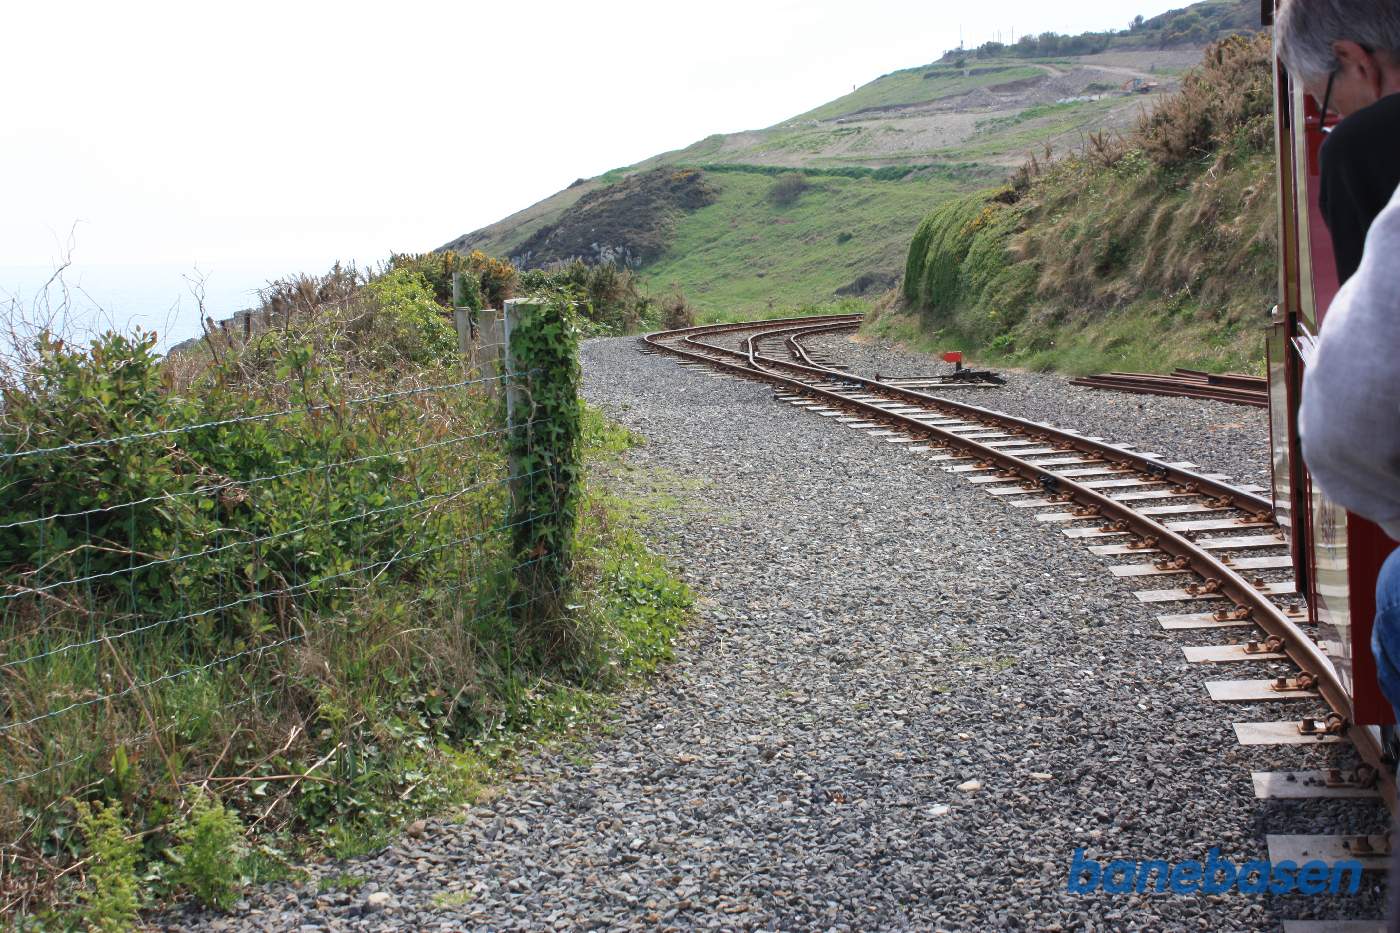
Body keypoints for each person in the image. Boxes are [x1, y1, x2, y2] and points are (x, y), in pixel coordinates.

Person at [1275, 0, 1400, 281]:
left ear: (1353, 59)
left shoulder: (1356, 148)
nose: (1340, 118)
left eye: (1329, 104)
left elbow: (1372, 318)